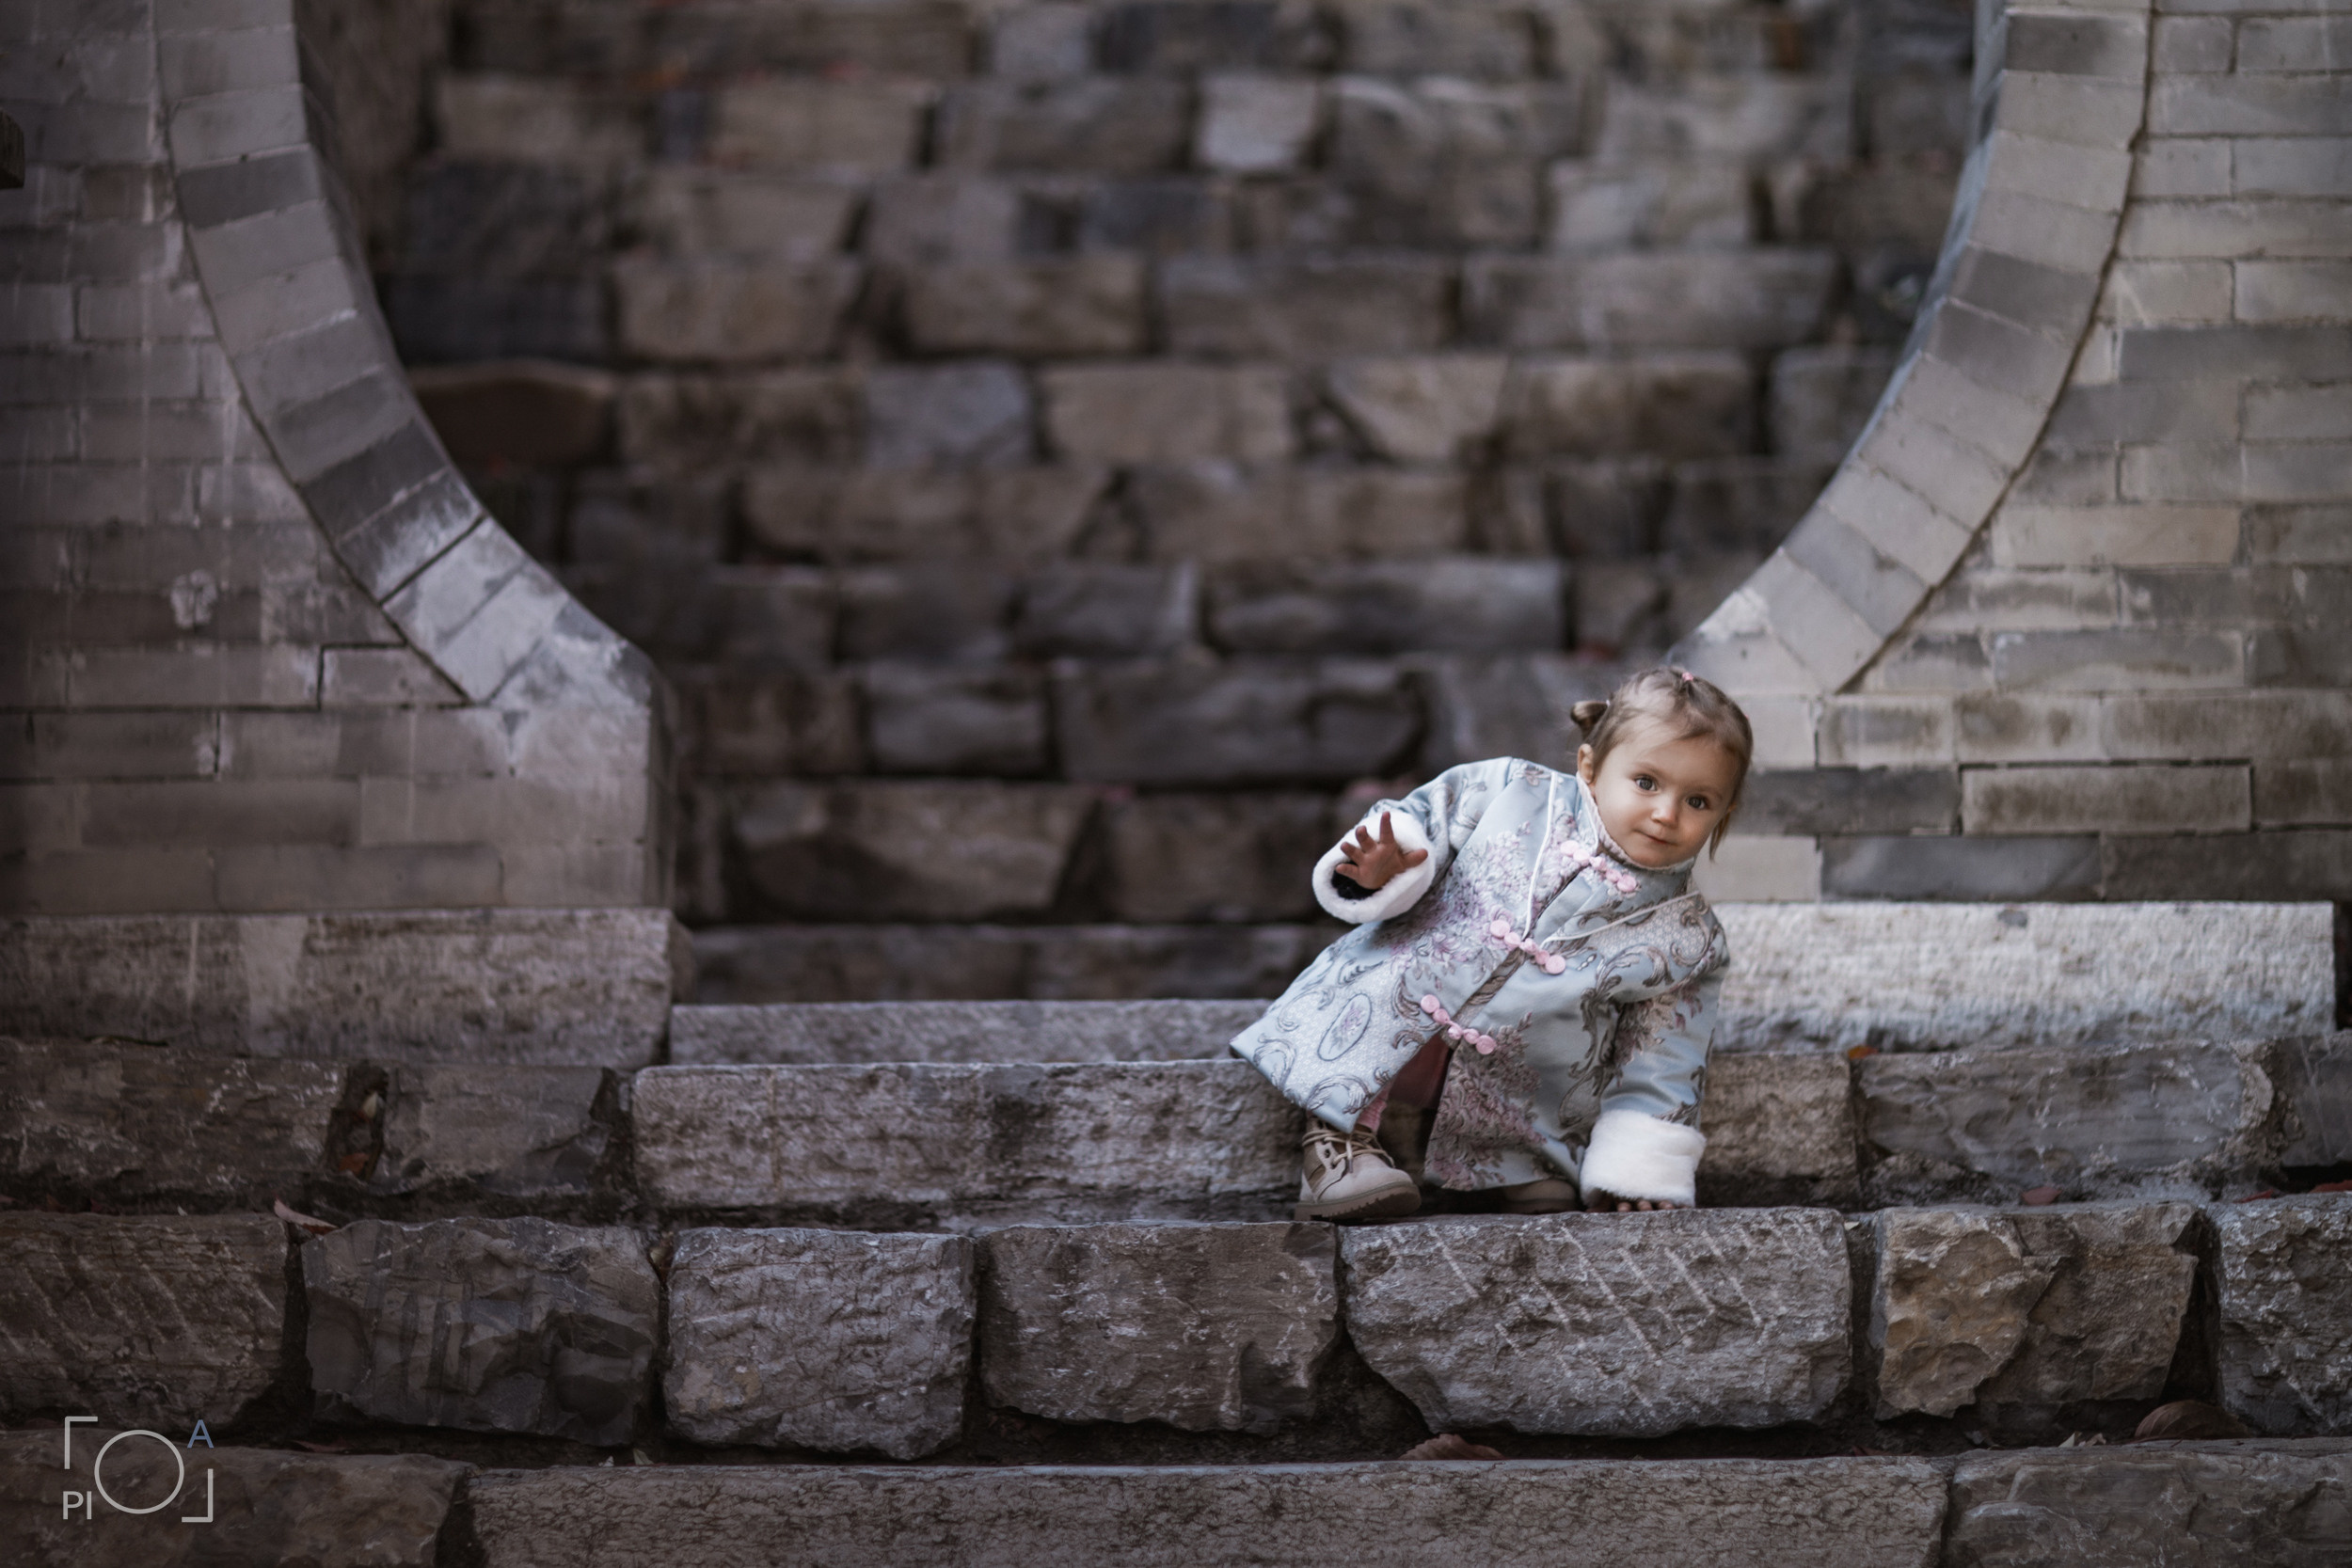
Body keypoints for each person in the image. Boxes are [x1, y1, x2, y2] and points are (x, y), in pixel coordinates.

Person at [1231, 666, 1753, 1222]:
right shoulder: (1509, 790)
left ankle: (1525, 1162)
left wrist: (1638, 1169)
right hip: (1402, 1011)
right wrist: (1386, 867)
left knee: (1555, 1098)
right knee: (1388, 985)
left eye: (1698, 801)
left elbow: (1663, 1058)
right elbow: (1418, 823)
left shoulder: (1687, 939)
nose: (1666, 813)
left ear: (1725, 815)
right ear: (1591, 768)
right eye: (1646, 782)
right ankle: (1339, 1139)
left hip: (1516, 1080)